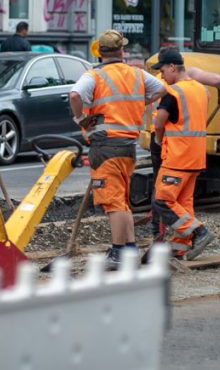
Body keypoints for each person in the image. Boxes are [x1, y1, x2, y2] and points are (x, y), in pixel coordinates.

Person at [69, 29, 166, 270]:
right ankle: (130, 248)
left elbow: (74, 95)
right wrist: (138, 103)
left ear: (100, 52)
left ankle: (118, 252)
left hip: (105, 145)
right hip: (127, 145)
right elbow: (162, 89)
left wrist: (81, 118)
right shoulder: (137, 74)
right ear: (122, 51)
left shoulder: (94, 76)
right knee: (122, 200)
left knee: (113, 202)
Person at [147, 52, 220, 239]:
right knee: (184, 203)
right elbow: (217, 81)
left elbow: (159, 123)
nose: (162, 74)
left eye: (163, 69)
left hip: (176, 155)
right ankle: (181, 247)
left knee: (162, 199)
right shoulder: (201, 90)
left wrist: (159, 141)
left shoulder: (172, 92)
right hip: (196, 156)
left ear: (172, 67)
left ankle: (198, 232)